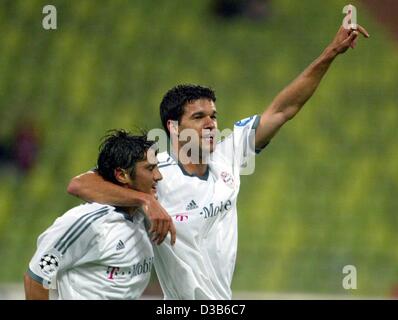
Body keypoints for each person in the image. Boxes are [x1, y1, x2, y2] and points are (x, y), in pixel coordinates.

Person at [67, 22, 369, 299]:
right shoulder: (153, 172)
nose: (211, 123)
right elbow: (79, 184)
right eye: (198, 117)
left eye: (213, 116)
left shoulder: (229, 153)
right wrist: (145, 201)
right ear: (173, 127)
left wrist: (330, 53)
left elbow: (283, 109)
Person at [24, 130, 175, 299]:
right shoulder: (88, 223)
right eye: (150, 169)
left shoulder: (142, 218)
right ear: (122, 175)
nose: (159, 176)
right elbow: (36, 278)